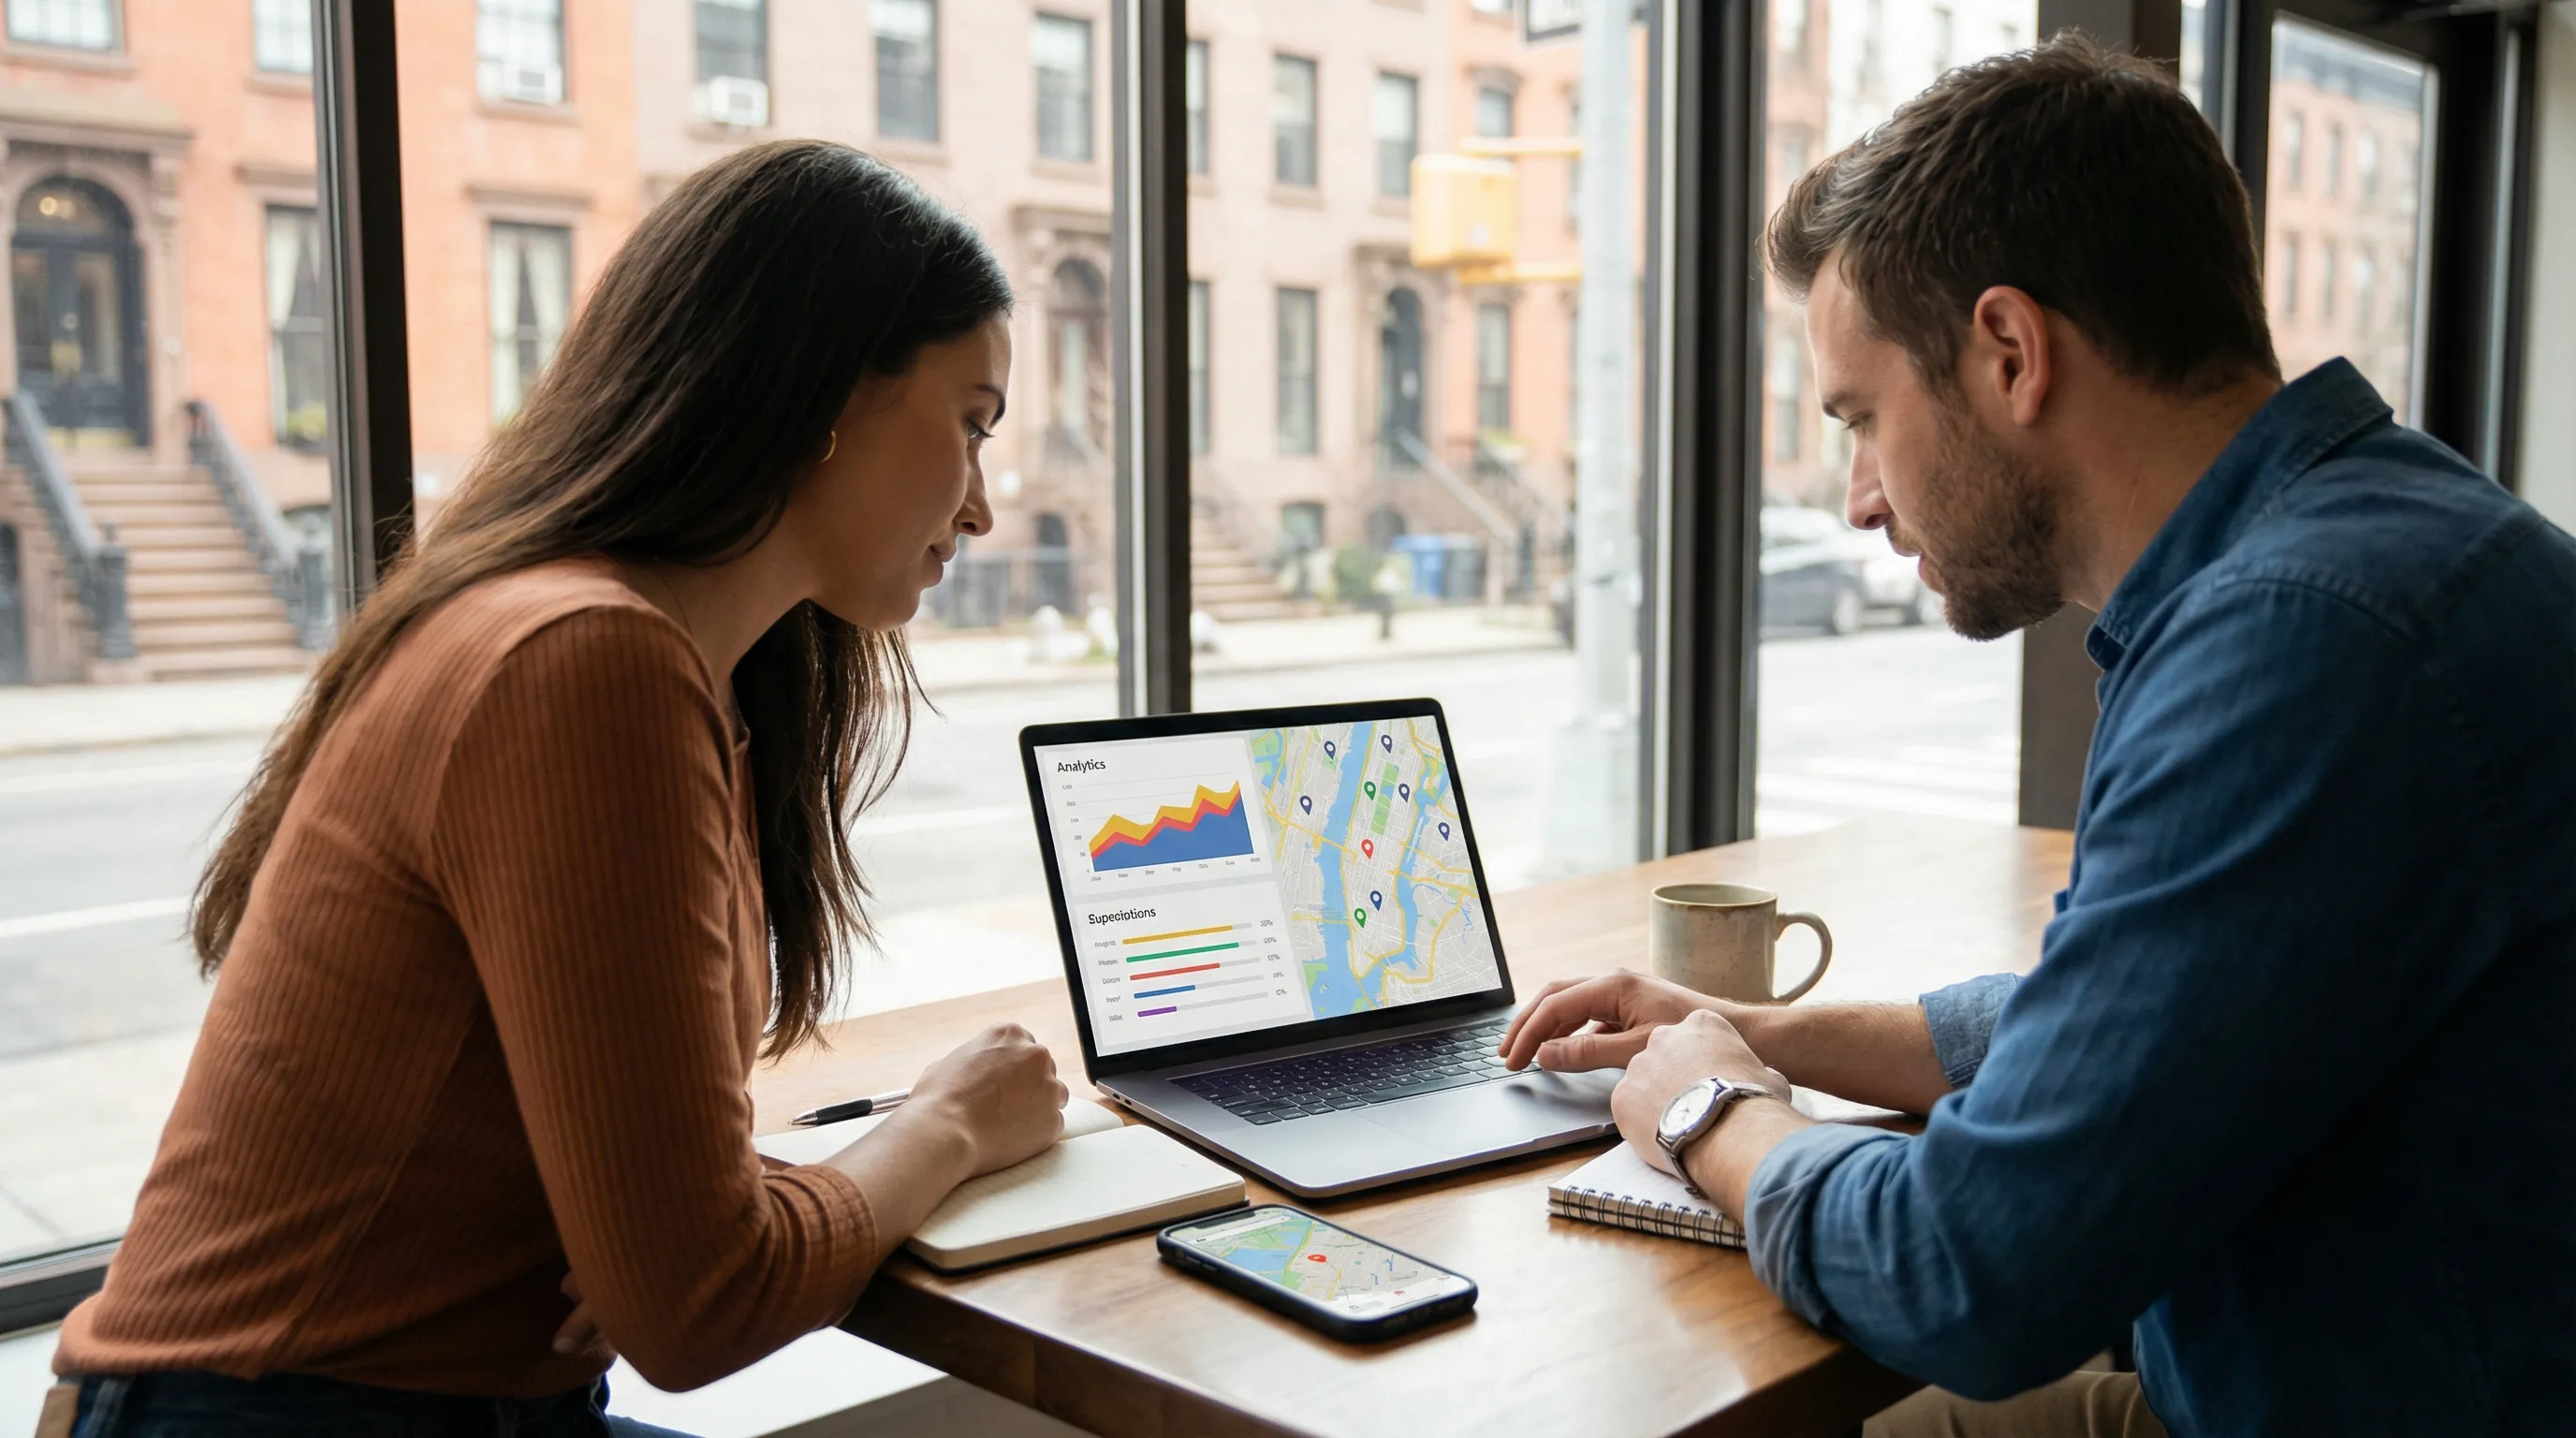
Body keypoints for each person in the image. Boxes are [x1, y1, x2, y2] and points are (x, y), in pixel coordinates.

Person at [1500, 33, 2576, 1438]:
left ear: (2009, 352)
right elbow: (2138, 1014)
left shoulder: (2300, 642)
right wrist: (1761, 1034)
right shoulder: (2393, 540)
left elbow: (1975, 1273)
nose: (1860, 501)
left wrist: (1715, 1119)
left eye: (1865, 419)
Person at [47, 140, 1070, 1436]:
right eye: (972, 423)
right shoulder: (583, 661)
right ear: (821, 392)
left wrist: (682, 1224)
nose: (981, 510)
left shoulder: (685, 673)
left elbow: (669, 1259)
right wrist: (950, 1127)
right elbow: (700, 1308)